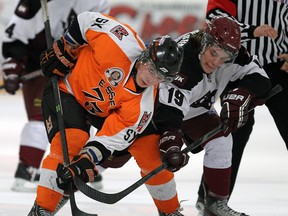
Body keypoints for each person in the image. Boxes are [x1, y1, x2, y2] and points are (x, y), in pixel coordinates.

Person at [56, 16, 271, 216]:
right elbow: (169, 113)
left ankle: (214, 204)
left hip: (195, 110)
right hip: (153, 110)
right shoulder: (185, 61)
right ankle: (66, 187)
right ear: (204, 42)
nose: (216, 62)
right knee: (117, 154)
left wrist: (243, 93)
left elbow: (261, 79)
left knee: (222, 139)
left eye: (224, 59)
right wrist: (172, 142)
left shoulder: (234, 56)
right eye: (213, 53)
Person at [27, 10, 184, 215]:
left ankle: (170, 210)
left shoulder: (143, 105)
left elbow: (112, 138)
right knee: (71, 141)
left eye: (159, 77)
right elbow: (86, 20)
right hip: (67, 90)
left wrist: (87, 160)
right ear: (144, 57)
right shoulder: (121, 42)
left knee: (150, 152)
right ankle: (42, 209)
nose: (151, 78)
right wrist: (66, 45)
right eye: (151, 69)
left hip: (101, 112)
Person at [1, 0, 110, 192]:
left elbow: (101, 34)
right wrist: (13, 66)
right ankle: (27, 169)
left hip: (78, 67)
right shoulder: (35, 3)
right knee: (39, 118)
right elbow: (15, 36)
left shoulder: (97, 2)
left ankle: (84, 167)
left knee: (83, 117)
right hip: (42, 65)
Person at [195, 0, 288, 209]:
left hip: (279, 67)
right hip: (239, 68)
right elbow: (215, 20)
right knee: (232, 132)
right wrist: (252, 31)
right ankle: (212, 198)